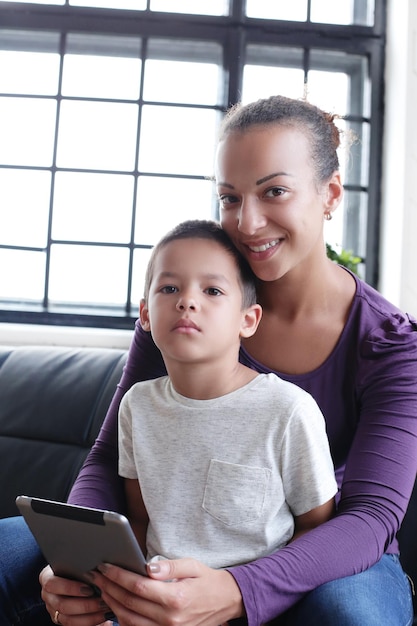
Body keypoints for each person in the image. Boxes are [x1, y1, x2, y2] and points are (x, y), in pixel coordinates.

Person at [2, 93, 417, 626]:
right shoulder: (185, 314)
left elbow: (372, 517)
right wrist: (77, 561)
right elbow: (111, 456)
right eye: (229, 197)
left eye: (275, 192)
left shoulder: (389, 344)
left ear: (330, 194)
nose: (246, 222)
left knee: (350, 614)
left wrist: (237, 588)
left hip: (330, 558)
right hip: (177, 547)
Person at [118, 219, 336, 579]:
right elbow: (139, 519)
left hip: (251, 603)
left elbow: (316, 526)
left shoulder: (287, 411)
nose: (187, 301)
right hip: (156, 595)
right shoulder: (137, 405)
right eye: (170, 288)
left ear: (247, 320)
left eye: (213, 292)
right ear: (145, 314)